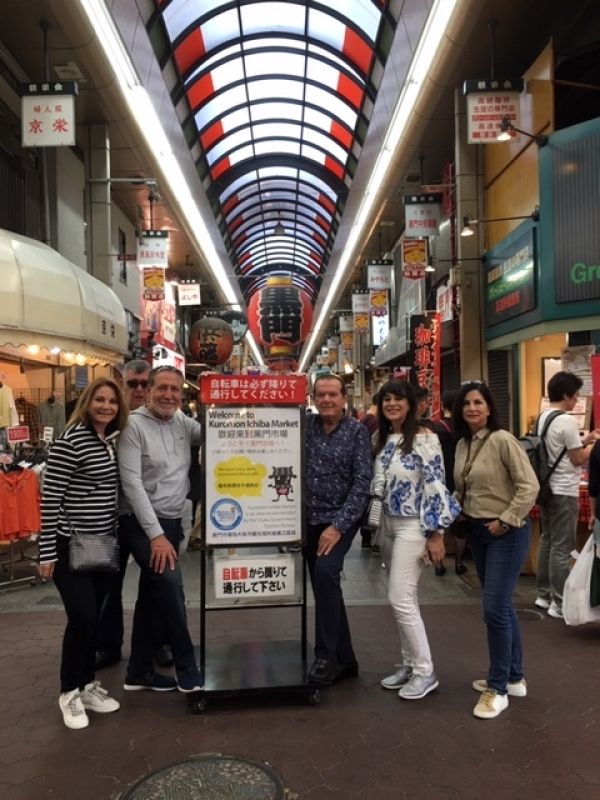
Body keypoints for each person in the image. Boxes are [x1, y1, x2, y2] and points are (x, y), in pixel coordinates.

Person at [38, 378, 128, 729]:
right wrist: (47, 554)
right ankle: (68, 693)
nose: (106, 406)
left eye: (112, 402)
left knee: (96, 616)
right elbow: (50, 499)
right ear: (87, 402)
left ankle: (87, 684)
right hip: (69, 544)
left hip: (102, 544)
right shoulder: (70, 441)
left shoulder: (110, 441)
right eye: (99, 400)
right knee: (83, 618)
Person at [453, 381, 539, 720]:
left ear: (490, 408)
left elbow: (529, 485)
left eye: (478, 402)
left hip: (506, 531)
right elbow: (464, 487)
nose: (472, 408)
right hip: (478, 531)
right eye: (466, 404)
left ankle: (498, 687)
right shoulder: (463, 444)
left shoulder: (504, 440)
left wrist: (505, 520)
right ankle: (514, 676)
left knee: (494, 610)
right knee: (501, 607)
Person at [118, 365, 203, 693]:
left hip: (172, 520)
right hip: (139, 522)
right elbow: (132, 484)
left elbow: (217, 429)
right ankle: (187, 667)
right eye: (162, 388)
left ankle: (138, 671)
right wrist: (155, 536)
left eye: (175, 389)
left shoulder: (183, 422)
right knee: (170, 586)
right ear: (149, 390)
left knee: (153, 593)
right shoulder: (133, 426)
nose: (169, 395)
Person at [374, 380, 460, 700]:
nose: (392, 404)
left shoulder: (425, 438)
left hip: (414, 526)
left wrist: (437, 535)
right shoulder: (383, 438)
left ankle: (426, 671)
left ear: (411, 404)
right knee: (405, 599)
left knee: (399, 598)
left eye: (398, 399)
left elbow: (437, 486)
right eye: (386, 399)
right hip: (389, 525)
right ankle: (410, 664)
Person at [95, 359, 173, 671]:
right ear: (122, 383)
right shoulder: (104, 419)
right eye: (133, 384)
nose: (139, 389)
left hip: (149, 519)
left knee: (157, 581)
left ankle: (157, 643)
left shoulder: (168, 419)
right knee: (108, 583)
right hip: (107, 519)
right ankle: (106, 645)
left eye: (144, 383)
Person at [305, 374, 372, 684]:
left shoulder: (357, 432)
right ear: (314, 398)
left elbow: (362, 484)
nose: (327, 400)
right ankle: (347, 659)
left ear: (344, 399)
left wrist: (338, 527)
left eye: (333, 394)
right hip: (308, 519)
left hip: (340, 519)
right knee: (325, 587)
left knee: (325, 573)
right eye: (321, 395)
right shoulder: (306, 427)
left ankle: (326, 656)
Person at [535, 371, 600, 618]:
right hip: (563, 490)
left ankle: (543, 595)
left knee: (548, 541)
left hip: (546, 488)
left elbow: (559, 448)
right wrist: (593, 446)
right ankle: (559, 602)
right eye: (574, 397)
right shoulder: (567, 421)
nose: (576, 402)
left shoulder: (542, 418)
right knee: (562, 547)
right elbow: (577, 458)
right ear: (565, 395)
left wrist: (586, 438)